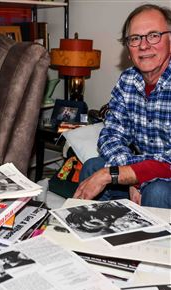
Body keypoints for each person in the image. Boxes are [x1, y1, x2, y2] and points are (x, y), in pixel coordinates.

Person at [74, 4, 171, 208]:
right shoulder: (128, 81)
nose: (143, 46)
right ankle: (90, 234)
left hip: (164, 182)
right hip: (142, 169)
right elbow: (111, 135)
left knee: (158, 190)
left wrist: (128, 174)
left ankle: (148, 239)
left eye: (154, 35)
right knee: (93, 167)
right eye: (135, 38)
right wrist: (133, 175)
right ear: (128, 49)